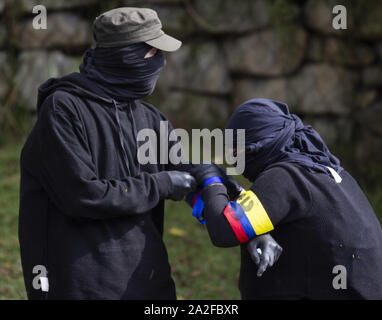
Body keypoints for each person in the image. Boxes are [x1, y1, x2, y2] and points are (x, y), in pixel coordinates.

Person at [18, 7, 199, 300]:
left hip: (148, 278)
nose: (162, 62)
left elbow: (189, 170)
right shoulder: (63, 110)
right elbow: (83, 195)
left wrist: (230, 194)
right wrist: (162, 184)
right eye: (154, 52)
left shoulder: (151, 118)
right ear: (125, 56)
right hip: (83, 282)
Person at [190, 98, 382, 299]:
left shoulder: (286, 176)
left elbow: (225, 230)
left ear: (261, 145)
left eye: (238, 152)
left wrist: (210, 179)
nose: (235, 162)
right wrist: (236, 194)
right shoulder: (324, 168)